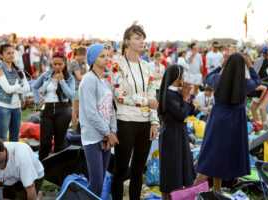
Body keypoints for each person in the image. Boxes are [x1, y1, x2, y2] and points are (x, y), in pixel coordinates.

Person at [194, 53, 261, 193]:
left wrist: (221, 65)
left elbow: (206, 77)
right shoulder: (244, 82)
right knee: (225, 156)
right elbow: (257, 81)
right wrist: (249, 64)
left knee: (214, 155)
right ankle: (214, 189)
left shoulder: (218, 79)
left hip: (217, 124)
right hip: (234, 126)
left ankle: (216, 190)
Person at [111, 24, 159, 200]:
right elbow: (120, 96)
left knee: (139, 170)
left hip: (145, 123)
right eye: (137, 38)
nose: (142, 41)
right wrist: (146, 101)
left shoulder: (147, 67)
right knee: (121, 169)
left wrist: (154, 122)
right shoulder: (117, 65)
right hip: (126, 122)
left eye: (143, 38)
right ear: (127, 41)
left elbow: (153, 96)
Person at [79, 44, 119, 197]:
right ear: (92, 60)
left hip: (106, 136)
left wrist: (113, 131)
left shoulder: (105, 81)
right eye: (102, 56)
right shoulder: (89, 80)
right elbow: (91, 113)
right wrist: (108, 133)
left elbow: (111, 109)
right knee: (95, 182)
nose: (107, 59)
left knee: (100, 181)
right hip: (93, 138)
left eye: (107, 55)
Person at [158, 65, 200, 200]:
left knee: (180, 169)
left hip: (179, 134)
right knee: (171, 170)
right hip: (171, 135)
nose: (184, 79)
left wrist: (188, 102)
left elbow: (188, 109)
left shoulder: (174, 92)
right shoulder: (167, 94)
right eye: (183, 76)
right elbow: (182, 113)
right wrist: (187, 99)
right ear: (177, 78)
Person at [33, 52, 74, 160]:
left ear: (65, 63)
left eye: (60, 64)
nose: (57, 66)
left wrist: (62, 81)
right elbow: (35, 87)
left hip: (63, 110)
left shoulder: (70, 78)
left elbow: (70, 95)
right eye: (54, 64)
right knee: (45, 142)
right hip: (47, 110)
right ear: (51, 63)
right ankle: (42, 169)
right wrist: (38, 100)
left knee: (59, 143)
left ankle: (56, 172)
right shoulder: (46, 75)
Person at [0, 135, 44, 200]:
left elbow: (30, 188)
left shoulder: (21, 156)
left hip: (31, 180)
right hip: (7, 179)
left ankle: (37, 196)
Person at [0, 44, 30, 141]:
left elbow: (27, 88)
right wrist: (19, 85)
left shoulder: (18, 69)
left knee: (15, 139)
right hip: (3, 108)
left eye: (13, 53)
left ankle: (12, 157)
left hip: (17, 108)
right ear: (1, 55)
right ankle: (2, 156)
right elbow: (8, 90)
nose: (11, 55)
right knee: (1, 139)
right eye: (8, 53)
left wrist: (16, 88)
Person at [69, 46, 87, 131]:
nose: (85, 57)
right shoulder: (74, 63)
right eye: (84, 55)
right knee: (75, 110)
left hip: (81, 87)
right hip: (75, 88)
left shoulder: (81, 62)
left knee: (80, 110)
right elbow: (79, 77)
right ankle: (74, 129)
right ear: (80, 54)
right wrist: (87, 75)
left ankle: (79, 128)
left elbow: (86, 72)